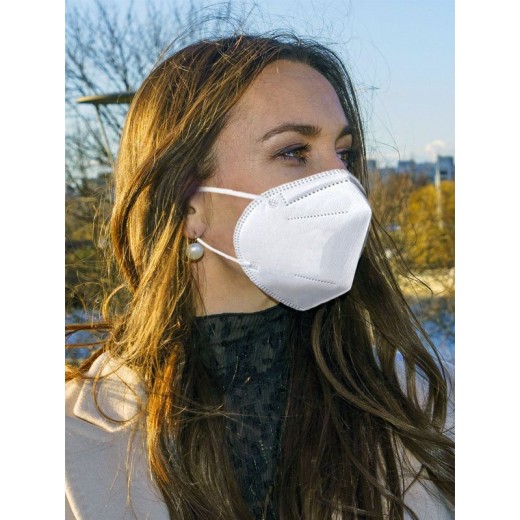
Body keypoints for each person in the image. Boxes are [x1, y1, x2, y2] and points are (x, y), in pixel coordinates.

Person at [65, 33, 454, 520]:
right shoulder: (61, 443)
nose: (344, 183)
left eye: (344, 153)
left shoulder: (429, 406)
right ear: (187, 203)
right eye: (294, 151)